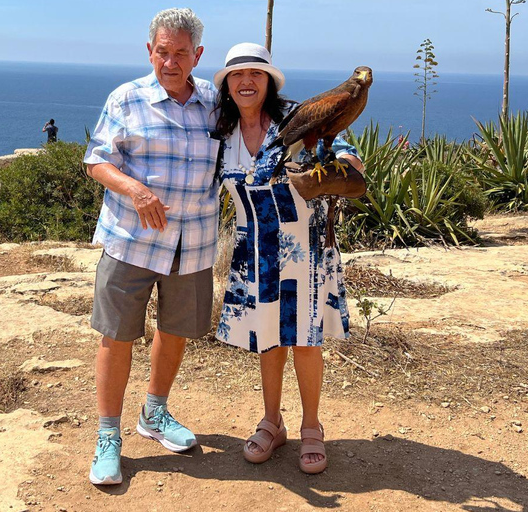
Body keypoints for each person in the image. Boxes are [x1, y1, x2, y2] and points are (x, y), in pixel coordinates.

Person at [213, 43, 365, 474]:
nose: (246, 82)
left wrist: (345, 169)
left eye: (256, 74)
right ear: (226, 85)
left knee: (305, 341)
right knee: (268, 339)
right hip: (255, 250)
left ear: (269, 82)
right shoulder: (220, 134)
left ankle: (312, 427)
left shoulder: (299, 117)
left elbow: (346, 153)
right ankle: (272, 422)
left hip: (306, 248)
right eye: (237, 75)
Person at [83, 8, 220, 485]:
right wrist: (135, 191)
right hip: (130, 242)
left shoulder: (214, 103)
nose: (171, 61)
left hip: (193, 242)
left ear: (197, 55)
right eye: (163, 51)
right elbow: (96, 161)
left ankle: (154, 413)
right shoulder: (126, 98)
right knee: (117, 335)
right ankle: (108, 436)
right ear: (150, 50)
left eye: (181, 53)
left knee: (176, 329)